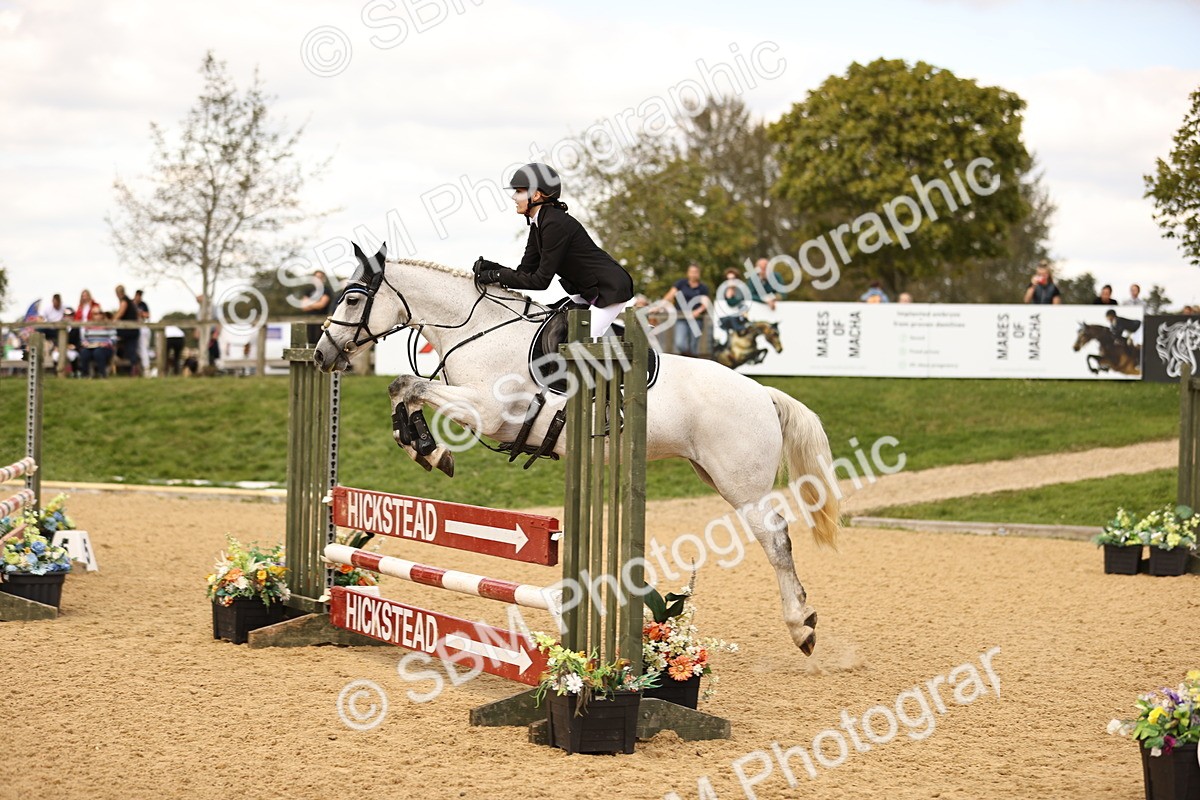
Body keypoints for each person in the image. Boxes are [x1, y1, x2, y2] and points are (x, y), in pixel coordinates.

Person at [472, 162, 634, 338]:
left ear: (535, 195)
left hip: (610, 290)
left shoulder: (554, 224)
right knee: (553, 329)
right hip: (590, 291)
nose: (514, 197)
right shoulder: (539, 224)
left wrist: (496, 276)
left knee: (578, 348)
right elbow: (525, 272)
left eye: (519, 192)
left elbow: (541, 281)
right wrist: (494, 269)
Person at [657, 264, 711, 356]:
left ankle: (693, 363)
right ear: (688, 273)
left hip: (696, 320)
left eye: (695, 272)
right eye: (691, 272)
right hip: (681, 318)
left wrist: (697, 311)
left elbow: (705, 303)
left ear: (699, 274)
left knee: (694, 346)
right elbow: (669, 296)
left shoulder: (703, 288)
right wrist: (658, 307)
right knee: (680, 343)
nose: (693, 274)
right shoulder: (681, 284)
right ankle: (688, 358)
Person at [714, 266, 750, 343]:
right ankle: (741, 331)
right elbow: (730, 304)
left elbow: (742, 303)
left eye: (733, 279)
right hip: (725, 319)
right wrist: (729, 296)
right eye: (728, 279)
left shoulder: (741, 291)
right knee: (733, 317)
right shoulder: (723, 291)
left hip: (737, 319)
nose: (731, 281)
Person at [114, 285, 140, 376]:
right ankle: (130, 369)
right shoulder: (130, 302)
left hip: (129, 330)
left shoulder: (124, 301)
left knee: (130, 350)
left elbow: (120, 313)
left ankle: (133, 369)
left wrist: (112, 322)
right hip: (133, 329)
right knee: (130, 349)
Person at [300, 271, 332, 345]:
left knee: (321, 342)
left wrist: (309, 303)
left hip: (321, 322)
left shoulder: (326, 290)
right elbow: (303, 306)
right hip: (310, 321)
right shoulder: (309, 290)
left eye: (320, 277)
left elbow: (322, 304)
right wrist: (316, 304)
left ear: (323, 279)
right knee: (310, 342)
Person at [134, 290, 151, 374]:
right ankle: (140, 369)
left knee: (144, 348)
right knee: (138, 349)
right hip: (134, 327)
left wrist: (140, 313)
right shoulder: (132, 303)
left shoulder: (143, 304)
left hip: (143, 327)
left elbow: (147, 315)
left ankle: (146, 369)